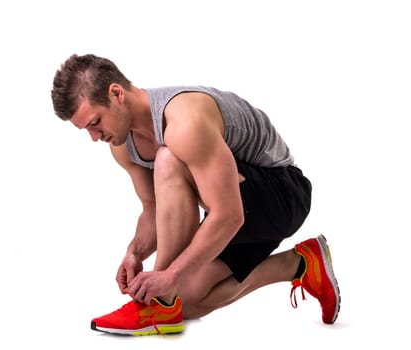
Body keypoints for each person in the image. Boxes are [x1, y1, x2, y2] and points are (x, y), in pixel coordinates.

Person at [51, 53, 341, 336]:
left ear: (116, 94)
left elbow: (228, 215)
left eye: (94, 123)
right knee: (185, 301)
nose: (94, 137)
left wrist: (170, 275)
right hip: (236, 207)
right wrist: (134, 253)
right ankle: (302, 263)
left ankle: (155, 306)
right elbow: (153, 209)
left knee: (168, 158)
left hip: (282, 195)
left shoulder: (184, 120)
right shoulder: (122, 145)